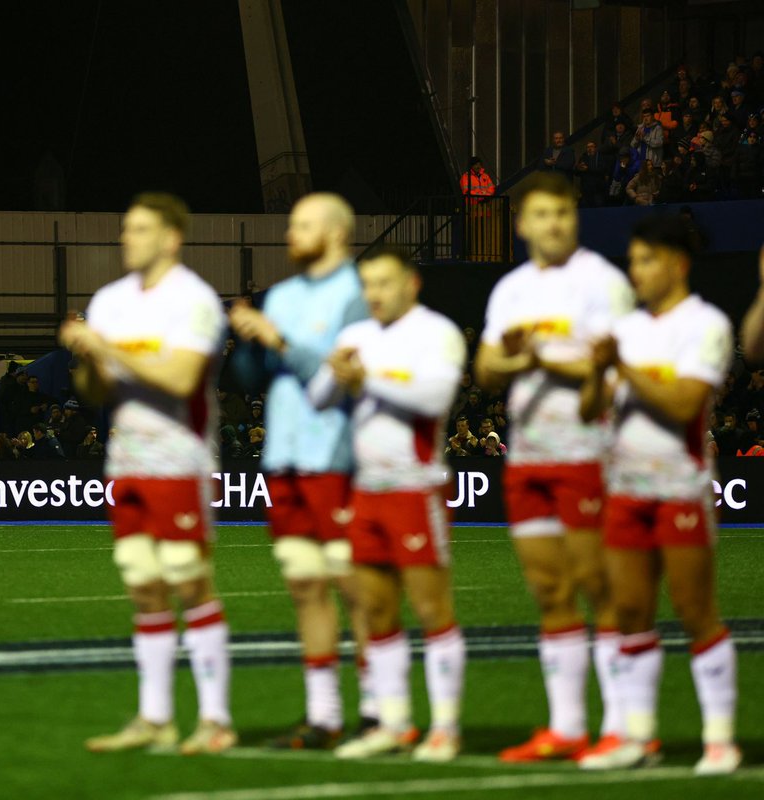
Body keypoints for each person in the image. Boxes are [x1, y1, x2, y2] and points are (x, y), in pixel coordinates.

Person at [59, 192, 235, 754]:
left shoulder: (195, 299)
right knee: (143, 587)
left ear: (171, 238)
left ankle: (215, 719)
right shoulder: (110, 300)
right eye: (125, 228)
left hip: (180, 461)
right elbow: (96, 392)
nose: (125, 238)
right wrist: (88, 360)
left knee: (189, 582)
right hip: (127, 462)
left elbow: (181, 379)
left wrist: (107, 345)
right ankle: (155, 717)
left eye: (138, 229)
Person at [474, 171, 635, 763]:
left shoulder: (603, 284)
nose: (554, 224)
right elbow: (486, 370)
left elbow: (616, 376)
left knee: (600, 585)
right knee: (549, 588)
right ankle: (566, 728)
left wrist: (540, 357)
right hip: (529, 455)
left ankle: (622, 727)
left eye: (563, 212)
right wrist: (514, 358)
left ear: (576, 218)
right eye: (542, 214)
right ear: (521, 224)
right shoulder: (511, 289)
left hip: (589, 451)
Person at [577, 215, 739, 774]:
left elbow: (683, 405)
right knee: (629, 611)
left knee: (696, 611)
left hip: (679, 488)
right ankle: (638, 737)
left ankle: (719, 738)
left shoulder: (706, 324)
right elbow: (588, 412)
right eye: (632, 262)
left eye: (646, 260)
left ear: (677, 264)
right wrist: (598, 374)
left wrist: (621, 365)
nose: (636, 272)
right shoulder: (627, 330)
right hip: (625, 491)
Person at [308, 247, 467, 762]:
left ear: (411, 284)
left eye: (384, 282)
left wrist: (364, 378)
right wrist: (334, 373)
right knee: (375, 609)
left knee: (429, 607)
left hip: (416, 487)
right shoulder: (357, 336)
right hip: (368, 489)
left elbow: (434, 399)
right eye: (367, 284)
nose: (374, 293)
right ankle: (393, 723)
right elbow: (318, 398)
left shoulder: (436, 332)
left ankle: (444, 727)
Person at [228, 192, 374, 750]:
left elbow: (345, 371)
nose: (290, 234)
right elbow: (252, 377)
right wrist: (241, 341)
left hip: (335, 455)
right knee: (305, 587)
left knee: (354, 587)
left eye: (302, 225)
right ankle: (324, 716)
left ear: (337, 232)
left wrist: (276, 338)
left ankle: (380, 711)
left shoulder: (358, 292)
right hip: (284, 457)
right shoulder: (283, 295)